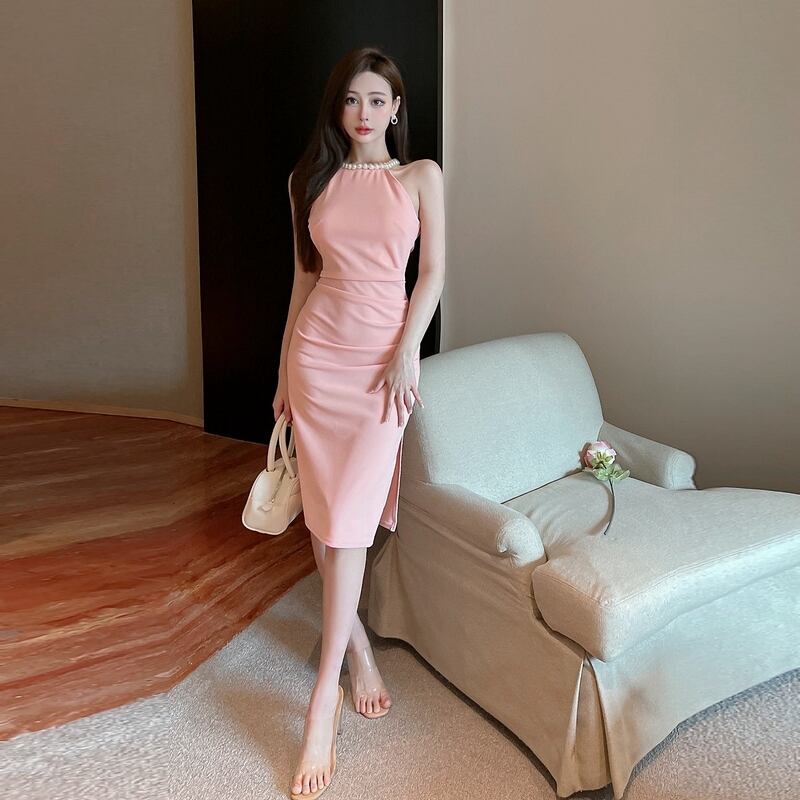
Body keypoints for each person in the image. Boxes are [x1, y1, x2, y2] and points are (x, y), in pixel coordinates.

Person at [273, 46, 445, 798]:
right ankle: (356, 656)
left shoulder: (421, 177)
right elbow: (303, 278)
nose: (363, 113)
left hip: (381, 368)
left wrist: (408, 351)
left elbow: (432, 274)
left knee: (348, 521)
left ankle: (321, 704)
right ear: (337, 108)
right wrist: (283, 374)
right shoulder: (307, 181)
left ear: (396, 108)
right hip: (317, 360)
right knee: (326, 520)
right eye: (351, 100)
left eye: (377, 100)